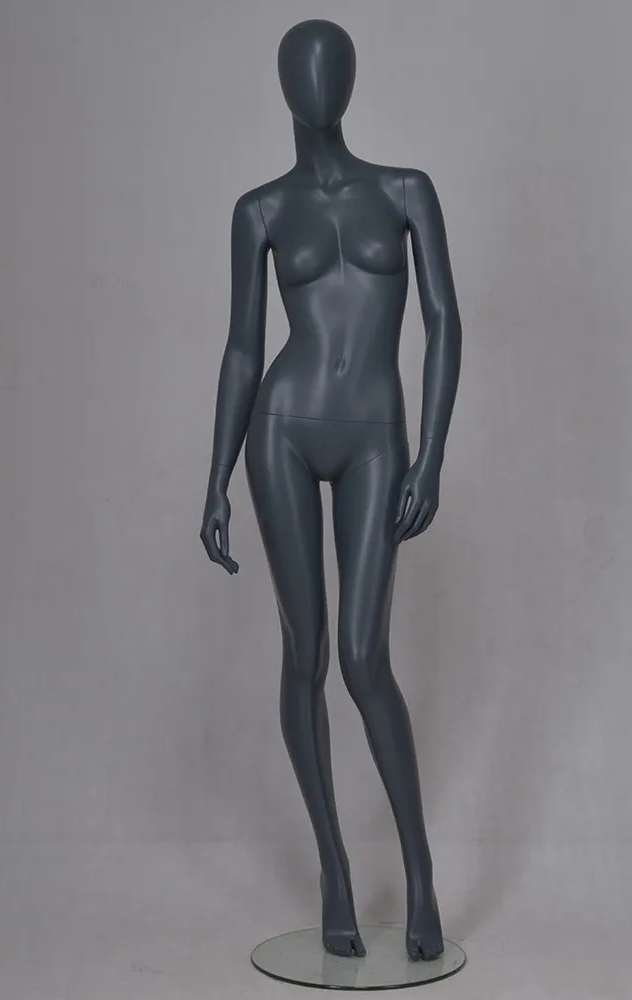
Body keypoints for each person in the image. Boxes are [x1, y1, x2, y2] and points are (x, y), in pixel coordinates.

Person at [200, 18, 462, 961]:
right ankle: (336, 873)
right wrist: (215, 476)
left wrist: (432, 456)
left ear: (348, 81)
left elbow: (444, 321)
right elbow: (242, 348)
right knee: (304, 651)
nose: (319, 85)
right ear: (285, 86)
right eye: (304, 71)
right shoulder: (260, 210)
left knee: (362, 657)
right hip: (280, 427)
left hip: (376, 436)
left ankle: (422, 874)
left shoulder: (405, 190)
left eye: (332, 69)